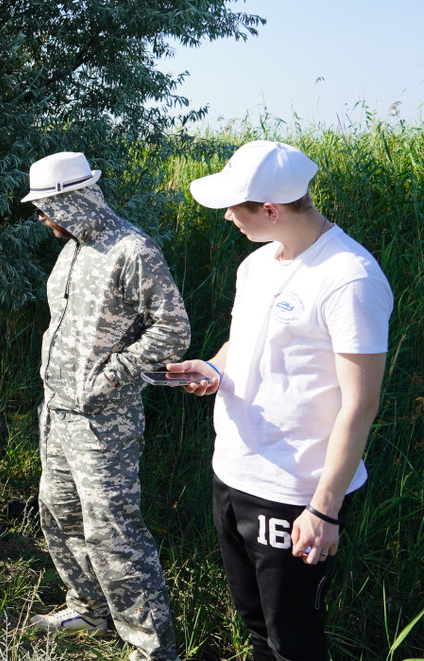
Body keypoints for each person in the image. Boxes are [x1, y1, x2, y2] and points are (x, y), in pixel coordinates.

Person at [169, 140, 392, 661]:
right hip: (235, 471)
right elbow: (243, 343)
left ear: (270, 210)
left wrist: (325, 508)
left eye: (234, 206)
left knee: (292, 639)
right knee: (254, 624)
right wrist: (215, 368)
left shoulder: (349, 278)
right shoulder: (256, 265)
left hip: (295, 493)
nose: (226, 216)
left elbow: (361, 404)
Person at [21, 152, 188, 660]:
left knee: (112, 529)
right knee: (60, 514)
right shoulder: (72, 248)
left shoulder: (133, 250)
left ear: (74, 200)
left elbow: (173, 329)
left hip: (104, 422)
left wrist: (114, 372)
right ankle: (89, 609)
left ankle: (151, 647)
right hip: (57, 412)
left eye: (47, 208)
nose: (42, 219)